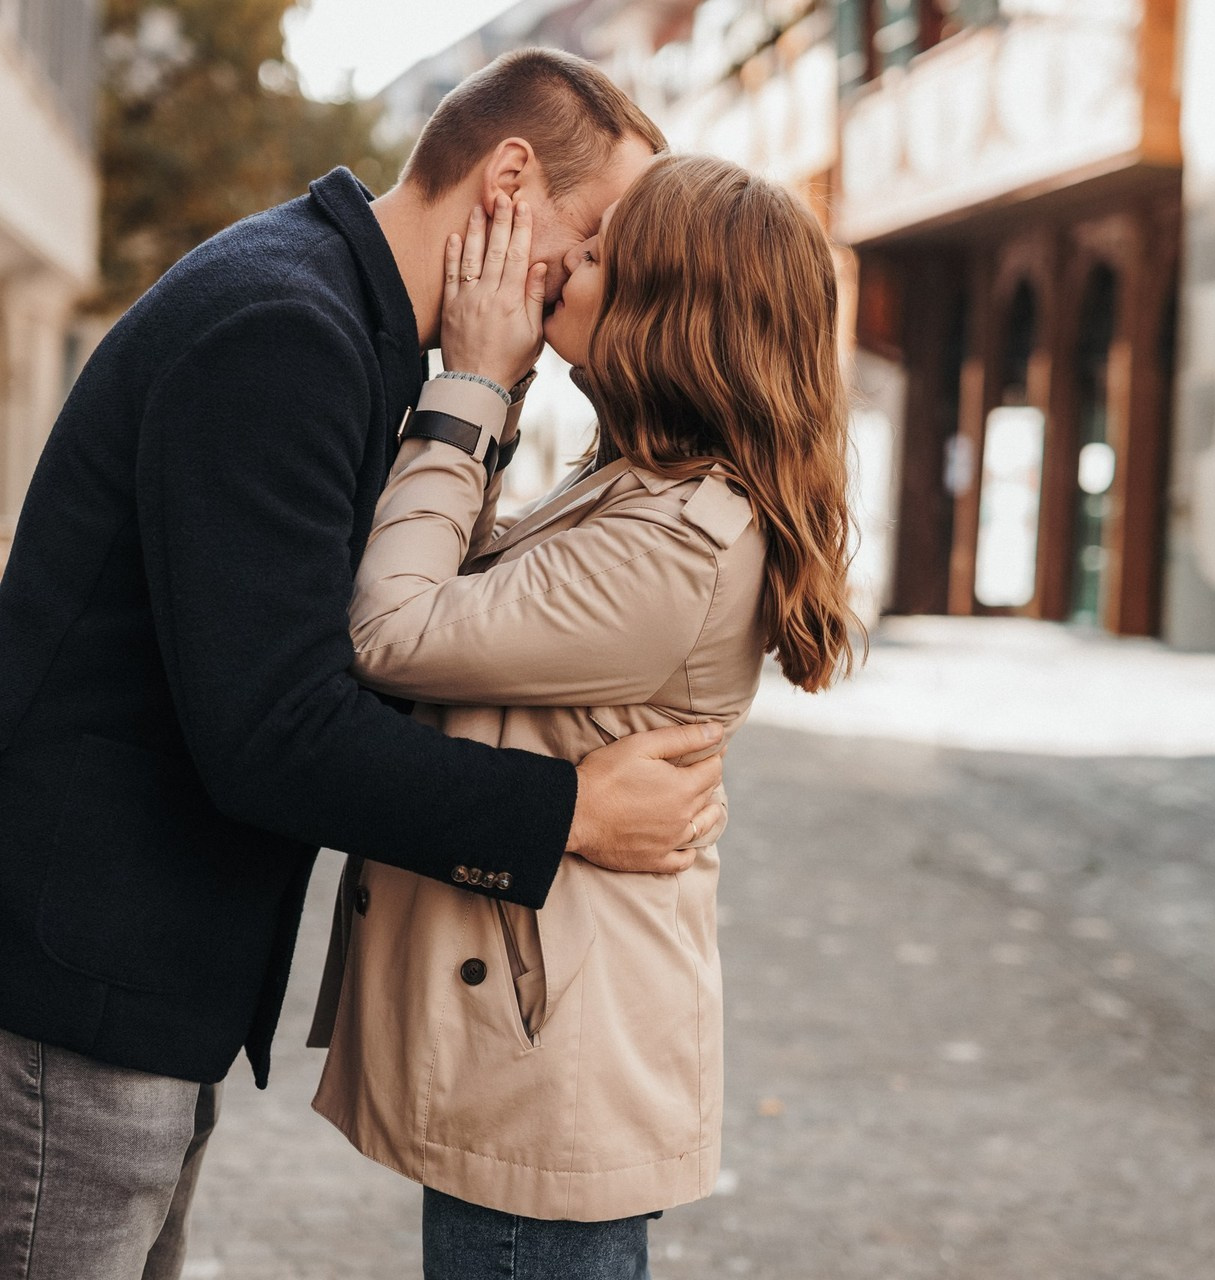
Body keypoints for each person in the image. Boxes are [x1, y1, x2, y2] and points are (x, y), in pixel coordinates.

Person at [0, 51, 728, 1280]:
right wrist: (568, 812)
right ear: (508, 182)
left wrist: (476, 395)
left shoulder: (330, 310)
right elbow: (275, 728)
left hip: (131, 972)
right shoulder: (286, 328)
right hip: (83, 983)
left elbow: (387, 626)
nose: (585, 280)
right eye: (594, 234)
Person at [311, 153, 860, 1280]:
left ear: (668, 312)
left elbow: (392, 631)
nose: (566, 263)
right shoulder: (637, 486)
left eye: (604, 253)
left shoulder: (675, 545)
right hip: (540, 1040)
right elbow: (455, 608)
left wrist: (469, 380)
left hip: (550, 1064)